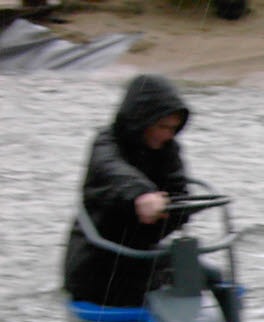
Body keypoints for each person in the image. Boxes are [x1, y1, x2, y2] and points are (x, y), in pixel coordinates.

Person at [63, 74, 193, 307]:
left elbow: (178, 189)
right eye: (162, 127)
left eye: (173, 128)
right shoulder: (106, 144)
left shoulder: (168, 150)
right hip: (94, 267)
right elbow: (113, 170)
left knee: (211, 277)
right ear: (142, 120)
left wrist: (178, 209)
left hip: (143, 258)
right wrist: (141, 195)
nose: (167, 135)